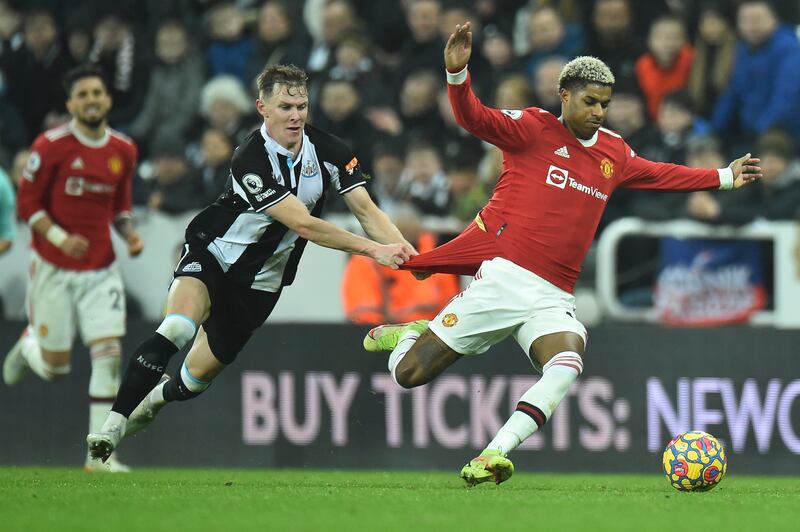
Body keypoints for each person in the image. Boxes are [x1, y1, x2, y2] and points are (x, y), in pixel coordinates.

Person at [363, 22, 762, 487]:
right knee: (409, 376)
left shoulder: (614, 152)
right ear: (564, 95)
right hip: (505, 279)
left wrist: (725, 177)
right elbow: (475, 118)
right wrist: (458, 74)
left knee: (567, 362)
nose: (599, 112)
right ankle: (410, 336)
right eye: (590, 101)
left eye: (605, 104)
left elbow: (661, 174)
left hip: (554, 295)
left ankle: (492, 455)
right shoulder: (533, 128)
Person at [86, 64, 415, 462]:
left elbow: (367, 210)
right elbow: (303, 224)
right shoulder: (250, 158)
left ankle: (155, 400)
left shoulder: (330, 150)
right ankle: (112, 424)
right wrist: (373, 250)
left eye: (302, 106)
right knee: (176, 326)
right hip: (214, 254)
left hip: (261, 285)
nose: (295, 115)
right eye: (285, 106)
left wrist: (408, 254)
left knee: (194, 381)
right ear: (263, 107)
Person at [2, 64, 143, 473]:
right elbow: (28, 206)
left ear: (107, 98)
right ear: (70, 104)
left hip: (101, 268)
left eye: (97, 92)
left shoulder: (123, 150)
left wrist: (130, 235)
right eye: (82, 95)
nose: (91, 100)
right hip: (53, 266)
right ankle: (29, 349)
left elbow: (120, 206)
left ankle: (99, 456)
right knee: (56, 368)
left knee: (109, 356)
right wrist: (62, 239)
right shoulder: (50, 146)